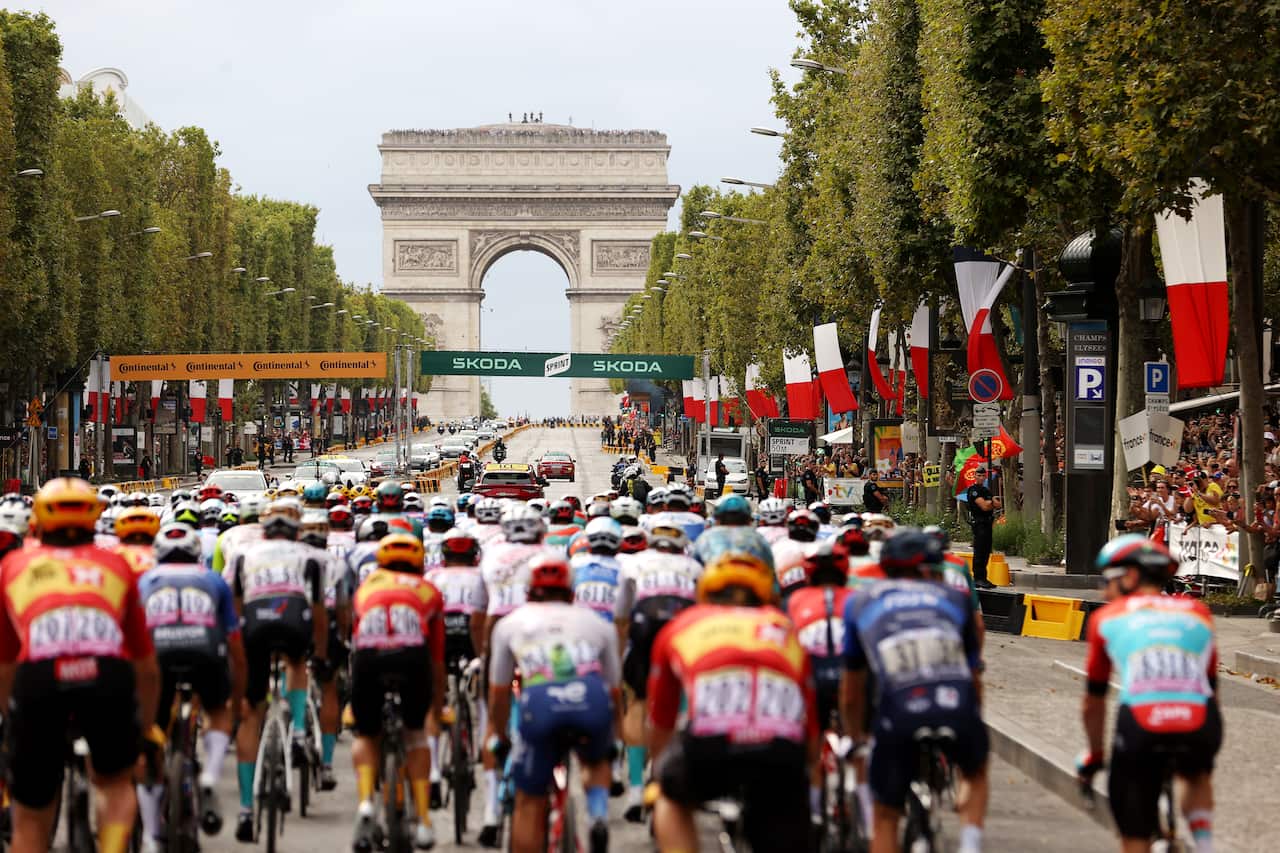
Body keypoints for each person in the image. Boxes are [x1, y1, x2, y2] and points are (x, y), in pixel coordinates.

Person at [0, 478, 161, 853]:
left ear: (37, 522)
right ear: (95, 520)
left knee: (30, 815)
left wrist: (13, 715)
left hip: (38, 679)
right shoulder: (117, 566)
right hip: (106, 675)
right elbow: (146, 666)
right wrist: (147, 729)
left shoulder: (13, 566)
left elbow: (6, 664)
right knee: (116, 782)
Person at [647, 547, 816, 853]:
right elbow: (810, 715)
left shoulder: (683, 624)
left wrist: (658, 775)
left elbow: (661, 718)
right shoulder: (783, 627)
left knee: (669, 797)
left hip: (709, 748)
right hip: (780, 750)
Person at [841, 529, 988, 853]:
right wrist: (974, 719)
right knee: (976, 772)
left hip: (897, 713)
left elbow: (852, 690)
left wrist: (855, 739)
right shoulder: (955, 599)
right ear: (930, 569)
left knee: (885, 814)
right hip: (956, 706)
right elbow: (973, 672)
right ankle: (970, 844)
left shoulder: (861, 601)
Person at [1079, 536, 1220, 853]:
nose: (1103, 591)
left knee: (1134, 829)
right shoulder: (1198, 611)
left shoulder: (1106, 617)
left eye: (1107, 581)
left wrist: (1095, 755)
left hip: (1141, 725)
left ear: (1129, 577)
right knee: (1196, 774)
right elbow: (1212, 688)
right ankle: (1205, 844)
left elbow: (1094, 700)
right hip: (1200, 721)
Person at [489, 554, 621, 853]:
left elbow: (498, 691)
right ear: (571, 590)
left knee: (529, 800)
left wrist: (499, 736)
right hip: (590, 698)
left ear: (529, 590)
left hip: (540, 702)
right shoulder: (598, 624)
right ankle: (598, 813)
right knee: (596, 758)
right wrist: (616, 737)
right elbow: (613, 690)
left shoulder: (510, 624)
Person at [136, 523, 246, 849]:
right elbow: (235, 645)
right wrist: (236, 703)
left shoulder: (145, 581)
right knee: (216, 711)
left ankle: (149, 834)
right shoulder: (212, 580)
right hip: (205, 652)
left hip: (160, 656)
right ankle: (211, 774)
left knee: (149, 741)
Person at [224, 501, 328, 841]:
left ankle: (244, 809)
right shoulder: (308, 556)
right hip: (294, 617)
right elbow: (319, 609)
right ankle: (299, 731)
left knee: (251, 712)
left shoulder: (244, 555)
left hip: (255, 622)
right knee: (297, 664)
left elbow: (234, 608)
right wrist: (322, 653)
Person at [349, 534, 445, 852]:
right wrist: (437, 705)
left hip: (369, 658)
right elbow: (436, 659)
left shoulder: (366, 587)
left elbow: (355, 642)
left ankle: (365, 803)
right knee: (416, 733)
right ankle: (425, 822)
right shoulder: (429, 590)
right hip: (412, 657)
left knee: (366, 732)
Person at [965, 466, 1001, 590]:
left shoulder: (986, 490)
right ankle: (978, 578)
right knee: (979, 552)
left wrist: (990, 502)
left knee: (986, 552)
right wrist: (991, 502)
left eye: (982, 475)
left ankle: (983, 578)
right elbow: (984, 506)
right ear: (974, 476)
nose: (981, 478)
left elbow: (997, 504)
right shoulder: (973, 490)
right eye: (978, 475)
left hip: (987, 523)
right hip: (979, 524)